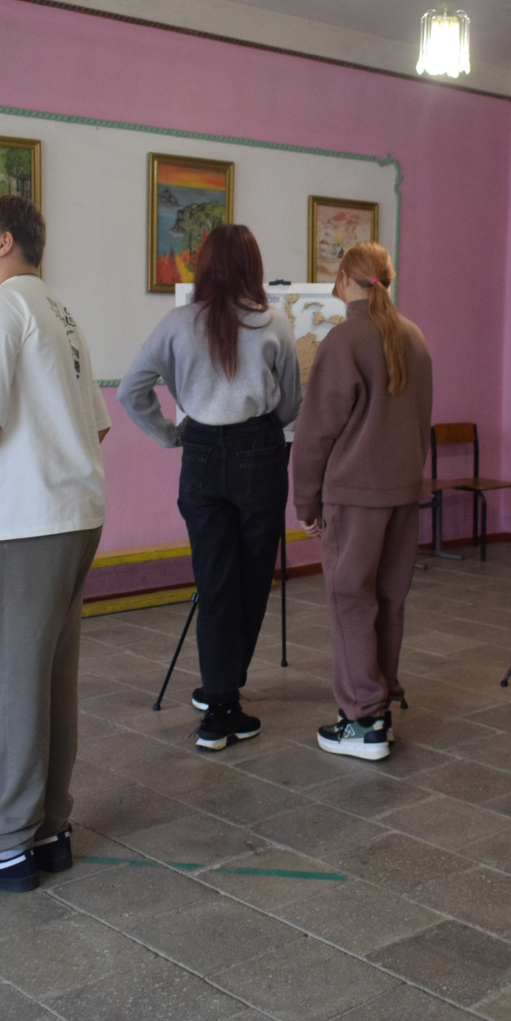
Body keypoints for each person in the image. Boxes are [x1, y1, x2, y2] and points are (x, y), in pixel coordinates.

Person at [0, 196, 110, 892]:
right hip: (74, 511)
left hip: (25, 522)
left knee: (9, 682)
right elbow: (97, 425)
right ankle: (47, 826)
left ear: (4, 242)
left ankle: (8, 841)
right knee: (48, 679)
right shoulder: (58, 311)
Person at [119, 225, 301, 750]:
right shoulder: (274, 323)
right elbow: (291, 404)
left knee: (215, 580)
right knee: (253, 578)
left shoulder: (178, 322)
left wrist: (169, 434)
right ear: (252, 266)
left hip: (199, 451)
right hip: (259, 451)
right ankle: (224, 696)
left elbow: (131, 390)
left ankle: (219, 696)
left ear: (203, 265)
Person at [293, 242, 433, 761]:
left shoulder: (343, 339)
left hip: (354, 496)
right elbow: (420, 420)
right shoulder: (414, 336)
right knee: (389, 599)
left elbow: (316, 433)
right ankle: (380, 704)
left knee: (350, 600)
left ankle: (362, 720)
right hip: (403, 491)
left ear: (343, 279)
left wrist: (306, 502)